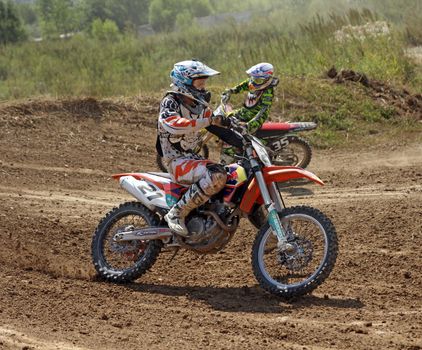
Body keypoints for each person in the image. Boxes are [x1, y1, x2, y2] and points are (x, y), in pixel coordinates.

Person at [156, 60, 232, 236]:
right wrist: (208, 121)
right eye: (199, 81)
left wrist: (241, 136)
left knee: (233, 173)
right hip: (176, 161)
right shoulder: (170, 101)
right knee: (216, 174)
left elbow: (216, 127)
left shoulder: (198, 106)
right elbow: (173, 124)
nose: (203, 85)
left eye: (204, 81)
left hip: (192, 159)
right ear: (185, 81)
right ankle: (176, 213)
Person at [220, 62, 279, 163]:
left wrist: (249, 125)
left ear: (267, 79)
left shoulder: (268, 92)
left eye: (258, 79)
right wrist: (230, 91)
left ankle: (233, 161)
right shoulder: (253, 82)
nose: (255, 81)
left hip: (254, 119)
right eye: (254, 78)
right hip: (244, 112)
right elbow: (242, 86)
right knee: (224, 120)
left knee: (235, 137)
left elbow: (263, 111)